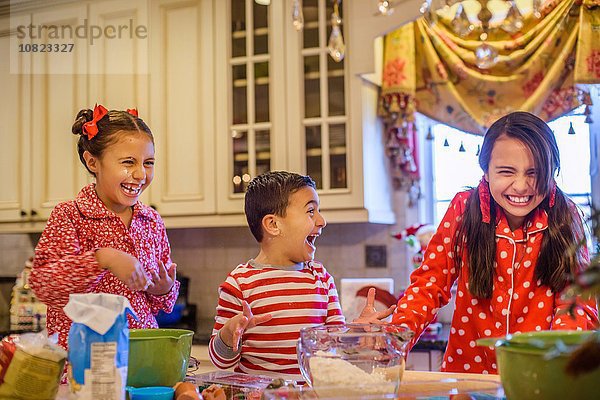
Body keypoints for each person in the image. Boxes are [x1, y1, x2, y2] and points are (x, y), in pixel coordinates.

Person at [392, 111, 599, 374]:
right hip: (467, 378)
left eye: (534, 172)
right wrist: (394, 339)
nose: (522, 186)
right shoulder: (463, 209)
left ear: (552, 170)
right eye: (506, 172)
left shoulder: (567, 216)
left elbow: (577, 304)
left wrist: (558, 366)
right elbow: (428, 285)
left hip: (538, 377)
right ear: (486, 170)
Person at [209, 171, 394, 381]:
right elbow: (221, 361)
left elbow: (335, 349)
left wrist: (357, 330)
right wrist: (228, 332)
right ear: (273, 225)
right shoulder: (239, 283)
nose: (322, 220)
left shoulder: (321, 279)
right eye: (311, 211)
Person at [30, 104, 180, 350]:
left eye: (149, 162)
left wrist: (163, 290)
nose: (141, 174)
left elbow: (155, 305)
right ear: (92, 162)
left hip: (141, 359)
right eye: (128, 162)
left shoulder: (151, 221)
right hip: (85, 366)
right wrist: (103, 258)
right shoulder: (71, 215)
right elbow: (45, 286)